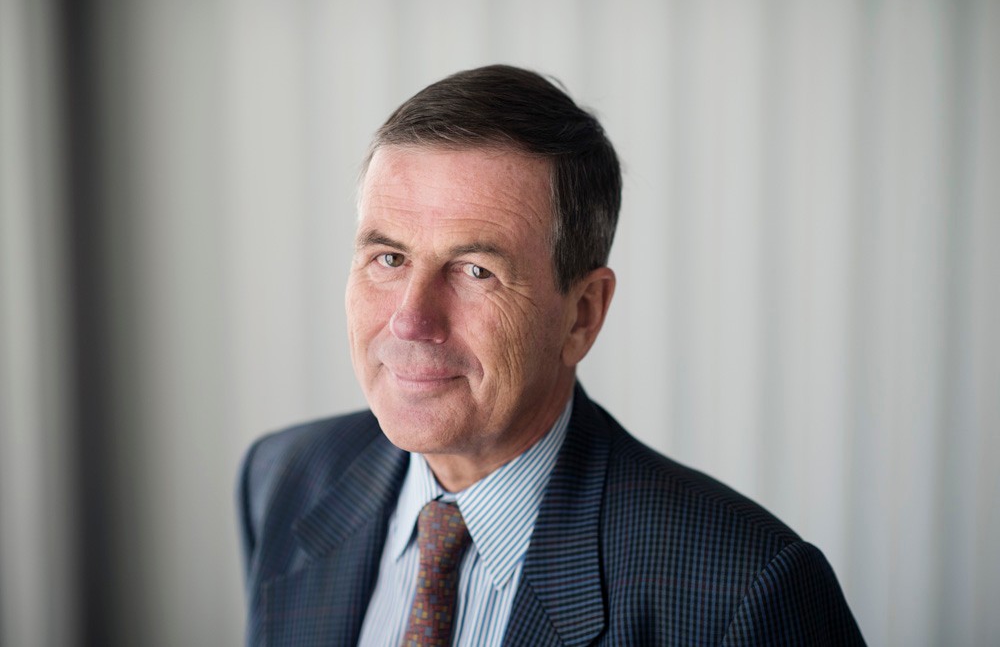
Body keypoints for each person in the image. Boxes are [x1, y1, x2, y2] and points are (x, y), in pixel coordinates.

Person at [237, 64, 864, 646]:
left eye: (475, 270)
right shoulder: (282, 479)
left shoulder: (744, 588)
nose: (411, 319)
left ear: (582, 314)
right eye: (390, 258)